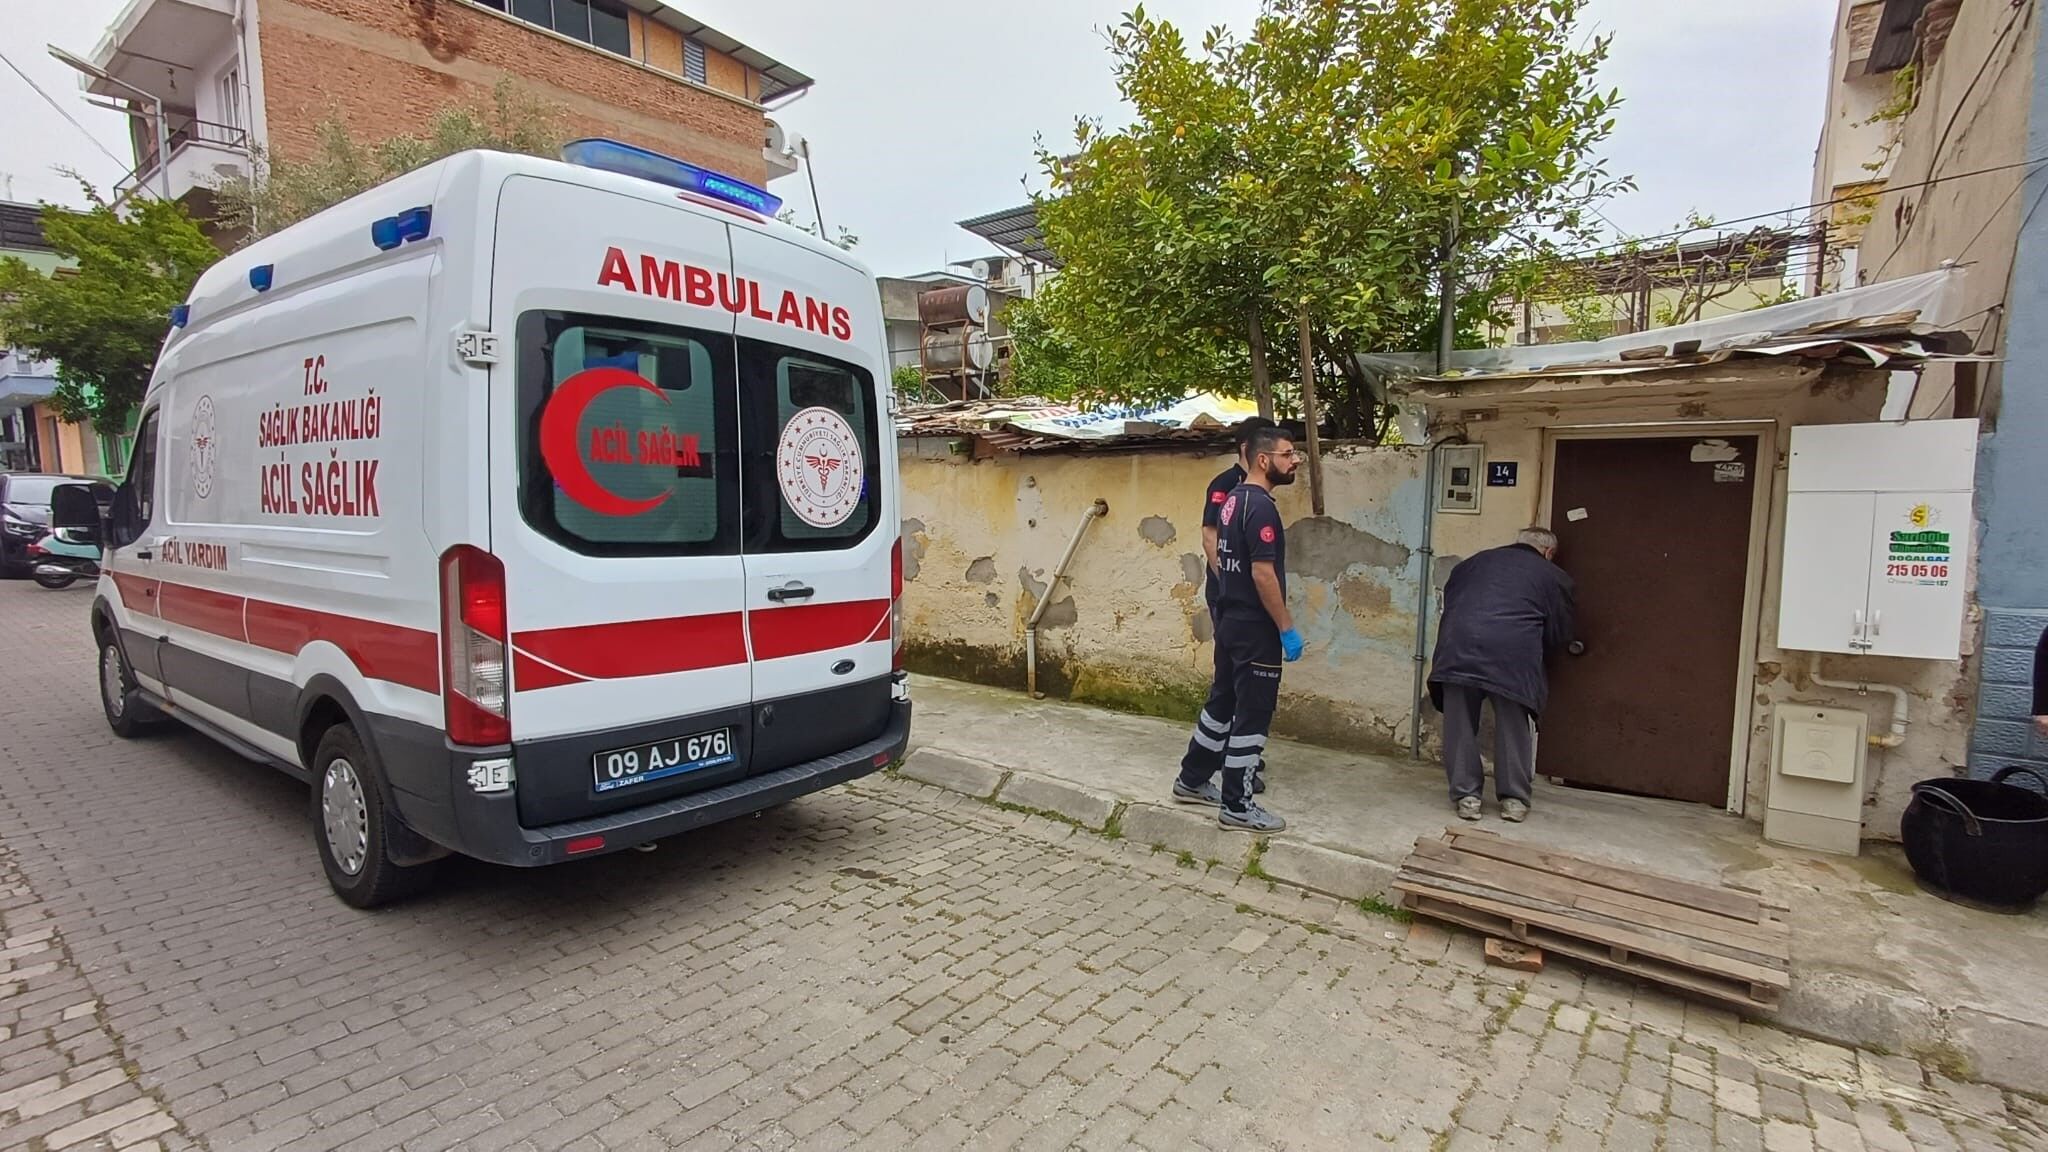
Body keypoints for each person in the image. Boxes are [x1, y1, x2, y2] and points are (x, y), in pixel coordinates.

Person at [1174, 425, 1302, 832]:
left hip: (1231, 618)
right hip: (1254, 627)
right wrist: (1285, 626)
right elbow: (1264, 574)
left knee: (1223, 702)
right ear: (1264, 460)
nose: (1295, 459)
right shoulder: (1259, 507)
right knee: (1253, 713)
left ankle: (1192, 778)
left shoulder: (1233, 501)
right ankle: (1237, 805)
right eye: (1288, 454)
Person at [1428, 526, 1576, 823]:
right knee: (1513, 724)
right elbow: (1559, 632)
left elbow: (1453, 602)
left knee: (1459, 723)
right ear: (1548, 552)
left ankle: (1467, 797)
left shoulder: (1471, 563)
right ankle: (1514, 800)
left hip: (1457, 647)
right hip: (1512, 654)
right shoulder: (1552, 576)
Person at [1201, 416, 1275, 793]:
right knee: (1233, 683)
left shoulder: (1256, 493)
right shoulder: (1227, 485)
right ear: (1250, 450)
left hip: (1242, 602)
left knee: (1237, 685)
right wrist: (1232, 583)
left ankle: (1234, 756)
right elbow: (1209, 536)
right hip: (1230, 600)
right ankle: (1232, 763)